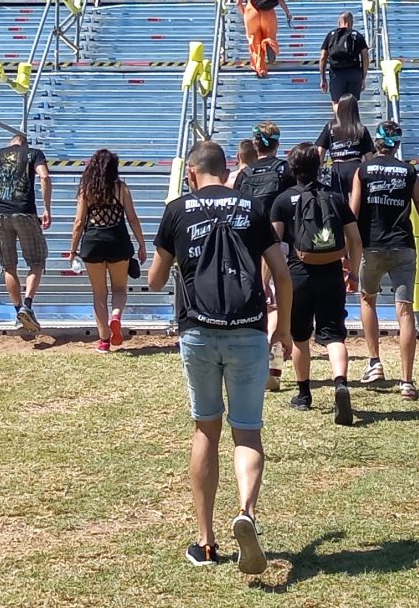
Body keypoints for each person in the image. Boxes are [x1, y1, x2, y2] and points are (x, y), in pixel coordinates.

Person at [149, 139, 291, 574]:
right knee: (247, 433)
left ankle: (206, 542)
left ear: (191, 172)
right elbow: (282, 276)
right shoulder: (251, 207)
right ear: (227, 169)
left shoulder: (177, 209)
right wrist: (282, 327)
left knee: (205, 429)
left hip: (199, 331)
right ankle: (246, 512)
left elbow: (155, 281)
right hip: (247, 330)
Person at [270, 145, 361, 425]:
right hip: (332, 273)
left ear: (292, 169)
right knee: (334, 336)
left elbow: (273, 244)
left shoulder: (283, 200)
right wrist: (353, 272)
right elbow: (355, 240)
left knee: (300, 338)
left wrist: (268, 280)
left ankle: (304, 394)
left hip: (298, 276)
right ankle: (340, 383)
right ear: (319, 166)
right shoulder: (335, 198)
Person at [351, 120, 419, 398]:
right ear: (397, 143)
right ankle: (407, 381)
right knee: (405, 311)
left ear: (377, 141)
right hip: (402, 246)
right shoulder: (408, 172)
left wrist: (349, 251)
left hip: (371, 245)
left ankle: (374, 361)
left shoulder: (363, 170)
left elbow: (353, 211)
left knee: (367, 299)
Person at [0, 124, 55, 337]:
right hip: (25, 212)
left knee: (9, 266)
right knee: (36, 261)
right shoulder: (33, 154)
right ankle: (27, 305)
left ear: (11, 143)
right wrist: (46, 208)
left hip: (0, 213)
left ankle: (17, 311)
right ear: (24, 143)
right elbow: (44, 177)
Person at [230, 124, 294, 389]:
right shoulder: (284, 170)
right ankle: (274, 370)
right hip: (279, 244)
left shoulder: (244, 174)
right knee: (279, 304)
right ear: (277, 144)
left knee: (259, 304)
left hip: (249, 247)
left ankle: (251, 365)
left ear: (255, 145)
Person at [66, 148, 146, 352]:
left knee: (99, 294)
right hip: (118, 241)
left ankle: (103, 341)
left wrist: (72, 251)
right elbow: (133, 219)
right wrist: (142, 245)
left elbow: (78, 222)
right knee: (119, 289)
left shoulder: (86, 189)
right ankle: (116, 315)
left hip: (93, 242)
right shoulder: (122, 188)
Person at [239, 0, 299, 78]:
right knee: (270, 35)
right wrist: (287, 12)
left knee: (254, 41)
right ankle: (268, 43)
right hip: (268, 11)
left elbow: (238, 2)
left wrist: (244, 13)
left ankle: (260, 70)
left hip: (252, 11)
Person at [314, 94, 373, 197]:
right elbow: (369, 157)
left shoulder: (330, 127)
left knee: (334, 199)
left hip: (336, 168)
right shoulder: (361, 129)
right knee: (356, 199)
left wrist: (320, 170)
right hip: (356, 168)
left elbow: (320, 152)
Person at [316, 12, 370, 107]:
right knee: (352, 103)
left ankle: (341, 121)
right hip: (354, 73)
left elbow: (323, 57)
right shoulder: (357, 36)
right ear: (351, 22)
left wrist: (323, 78)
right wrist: (363, 77)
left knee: (336, 102)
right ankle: (350, 121)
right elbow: (365, 56)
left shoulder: (331, 35)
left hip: (336, 73)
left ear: (339, 22)